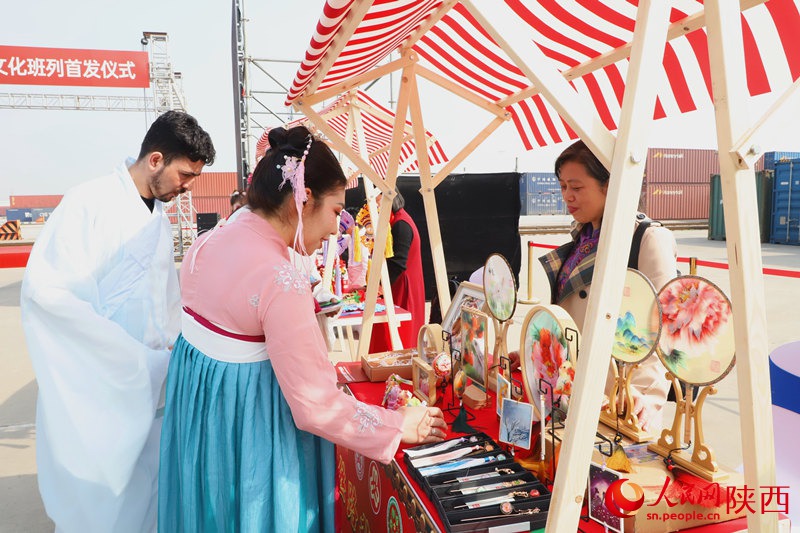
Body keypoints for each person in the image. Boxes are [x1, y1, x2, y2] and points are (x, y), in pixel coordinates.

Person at [158, 125, 446, 532]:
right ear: (303, 199)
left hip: (205, 436)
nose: (336, 228)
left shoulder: (209, 242)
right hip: (255, 444)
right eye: (335, 210)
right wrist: (399, 425)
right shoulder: (280, 279)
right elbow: (315, 406)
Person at [19, 110, 216, 532]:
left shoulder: (157, 222)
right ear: (156, 159)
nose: (187, 188)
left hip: (150, 387)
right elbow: (47, 293)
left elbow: (166, 303)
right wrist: (126, 358)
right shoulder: (87, 202)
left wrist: (170, 353)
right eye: (185, 174)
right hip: (98, 381)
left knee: (146, 498)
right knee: (100, 506)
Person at [538, 139, 677, 432]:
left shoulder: (646, 239)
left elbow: (665, 327)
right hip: (572, 387)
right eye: (563, 187)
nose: (567, 196)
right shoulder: (582, 238)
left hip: (622, 399)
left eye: (576, 188)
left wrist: (645, 401)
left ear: (610, 185)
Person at [369, 189, 426, 352]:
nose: (377, 208)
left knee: (399, 333)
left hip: (402, 285)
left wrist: (378, 288)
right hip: (401, 282)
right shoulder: (398, 220)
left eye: (378, 203)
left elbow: (398, 262)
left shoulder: (401, 224)